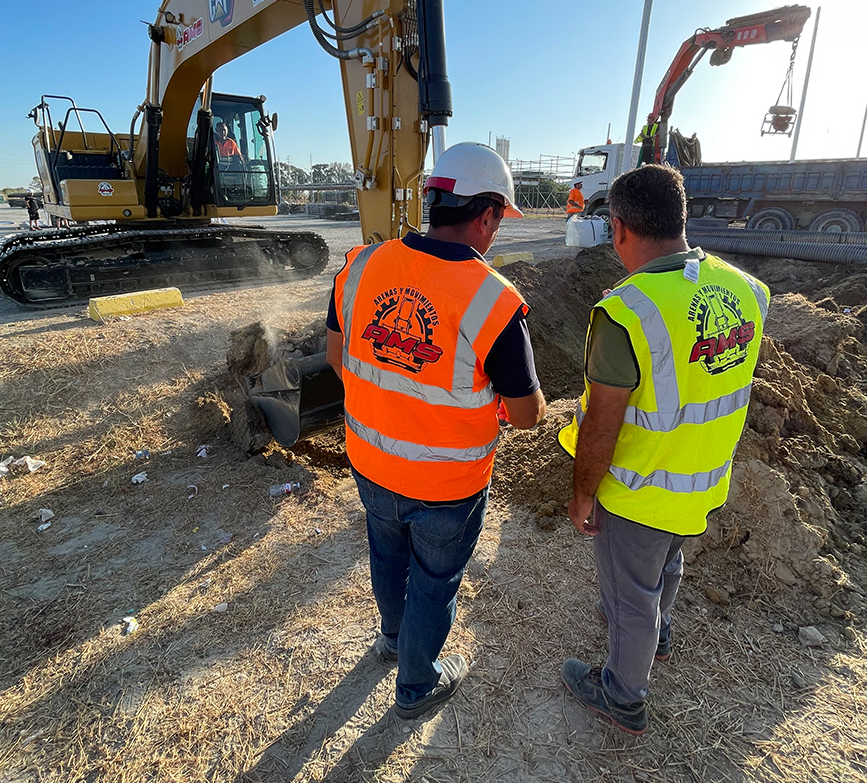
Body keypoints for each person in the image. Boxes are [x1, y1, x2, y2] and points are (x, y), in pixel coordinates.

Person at [326, 143, 546, 719]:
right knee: (434, 580)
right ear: (488, 214)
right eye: (500, 220)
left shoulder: (362, 265)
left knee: (386, 552)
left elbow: (337, 354)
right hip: (449, 485)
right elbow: (525, 414)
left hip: (370, 463)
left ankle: (393, 641)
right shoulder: (494, 301)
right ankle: (416, 685)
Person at [557, 164, 769, 735]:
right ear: (681, 217)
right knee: (666, 564)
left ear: (620, 228)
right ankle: (661, 632)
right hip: (701, 480)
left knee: (629, 596)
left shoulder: (627, 312)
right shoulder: (746, 290)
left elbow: (602, 425)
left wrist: (582, 494)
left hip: (640, 491)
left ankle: (622, 695)